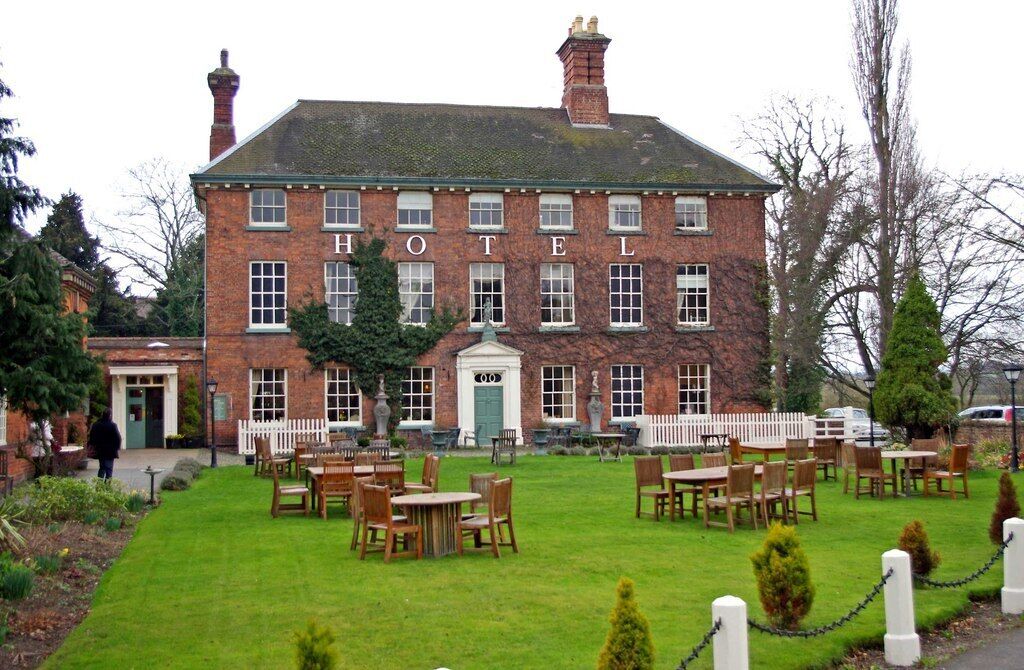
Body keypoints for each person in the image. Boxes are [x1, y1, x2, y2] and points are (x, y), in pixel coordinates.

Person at [88, 409, 121, 480]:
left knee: (102, 467)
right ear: (110, 415)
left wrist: (92, 446)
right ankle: (107, 486)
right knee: (109, 469)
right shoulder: (112, 425)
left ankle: (99, 485)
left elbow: (91, 437)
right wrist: (117, 448)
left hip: (100, 449)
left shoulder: (96, 425)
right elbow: (118, 438)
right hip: (110, 451)